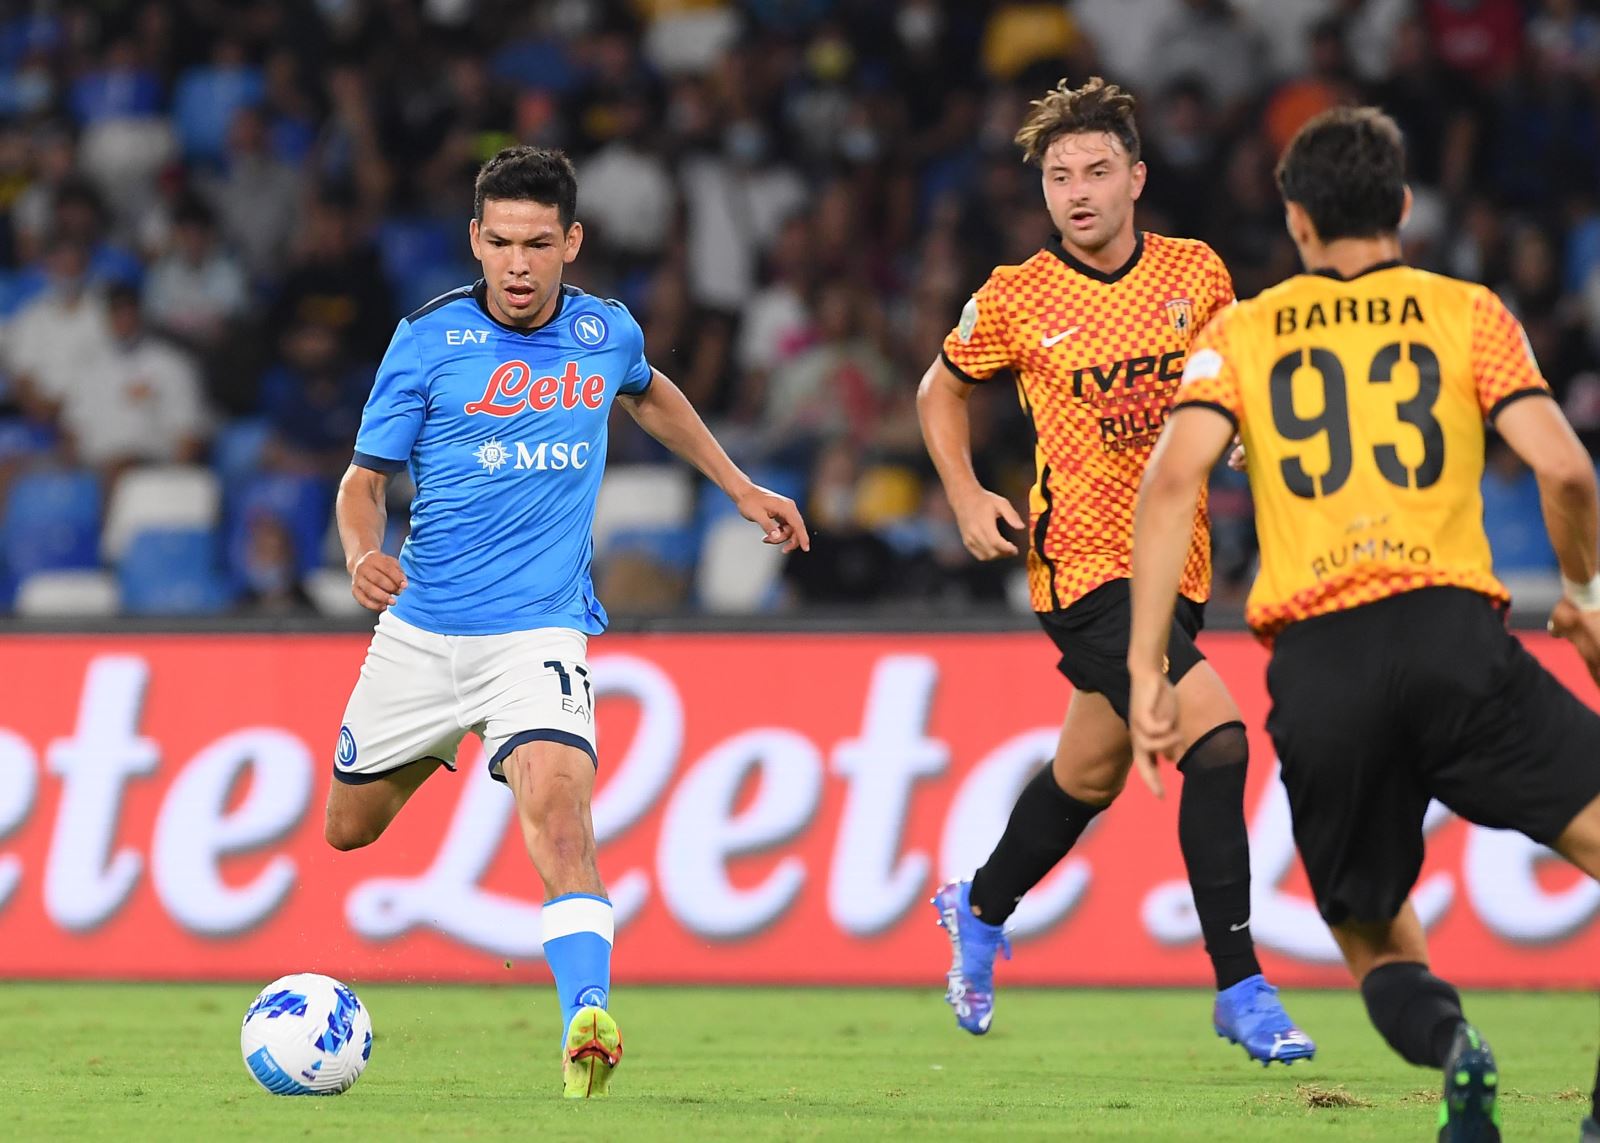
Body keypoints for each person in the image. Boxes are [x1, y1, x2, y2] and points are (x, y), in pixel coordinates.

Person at [1127, 106, 1600, 1143]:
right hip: (1452, 639)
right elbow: (1566, 467)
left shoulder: (1241, 332)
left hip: (1321, 666)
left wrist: (1146, 669)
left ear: (1295, 220)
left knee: (1374, 938)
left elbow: (1169, 485)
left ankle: (1456, 1048)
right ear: (1404, 207)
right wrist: (1586, 596)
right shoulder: (1466, 312)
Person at [324, 146, 809, 1099]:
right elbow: (362, 481)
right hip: (423, 632)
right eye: (501, 242)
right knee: (348, 828)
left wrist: (739, 485)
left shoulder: (605, 332)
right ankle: (450, 741)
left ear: (571, 242)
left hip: (539, 634)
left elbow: (650, 390)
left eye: (538, 244)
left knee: (559, 814)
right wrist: (359, 555)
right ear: (475, 239)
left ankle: (587, 1016)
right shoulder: (425, 340)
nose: (518, 264)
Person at [916, 76, 1313, 1063]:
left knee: (1087, 774)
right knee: (1217, 742)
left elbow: (1234, 383)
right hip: (1083, 568)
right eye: (1059, 176)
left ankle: (979, 905)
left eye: (1096, 171)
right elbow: (937, 390)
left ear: (1135, 178)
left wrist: (1242, 432)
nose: (1077, 192)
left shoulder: (1196, 272)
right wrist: (965, 494)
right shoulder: (1016, 295)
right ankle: (1241, 988)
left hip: (1179, 566)